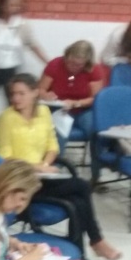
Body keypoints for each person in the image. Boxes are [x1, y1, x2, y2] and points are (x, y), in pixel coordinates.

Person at [0, 73, 121, 260]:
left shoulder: (43, 112)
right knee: (82, 186)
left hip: (43, 177)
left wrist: (45, 164)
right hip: (21, 183)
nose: (16, 98)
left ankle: (85, 250)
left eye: (21, 93)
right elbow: (5, 158)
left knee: (78, 203)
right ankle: (96, 241)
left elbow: (52, 146)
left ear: (35, 93)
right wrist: (38, 167)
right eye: (13, 94)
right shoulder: (6, 118)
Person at [38, 40, 103, 181]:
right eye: (70, 62)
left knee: (96, 131)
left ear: (86, 63)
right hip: (58, 109)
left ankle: (96, 174)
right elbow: (40, 90)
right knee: (57, 134)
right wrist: (46, 95)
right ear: (67, 56)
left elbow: (95, 98)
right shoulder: (55, 65)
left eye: (78, 65)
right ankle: (52, 173)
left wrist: (76, 103)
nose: (73, 67)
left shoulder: (94, 70)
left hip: (83, 110)